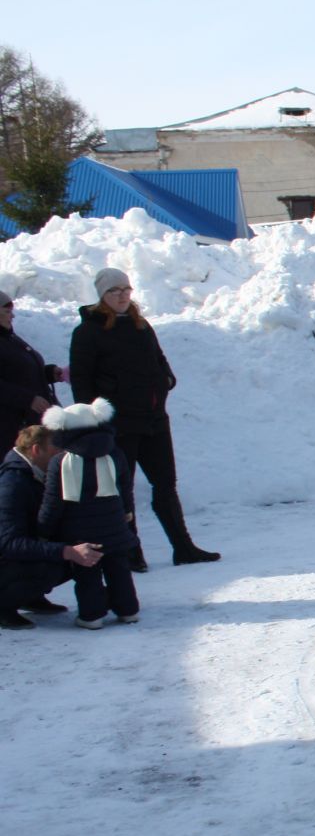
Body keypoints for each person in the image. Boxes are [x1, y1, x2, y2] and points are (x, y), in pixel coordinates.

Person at [69, 268, 218, 569]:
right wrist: (91, 420)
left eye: (126, 288)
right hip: (118, 423)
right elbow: (81, 382)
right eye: (115, 291)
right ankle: (131, 552)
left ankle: (183, 546)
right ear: (102, 295)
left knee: (165, 483)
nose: (123, 295)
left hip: (153, 419)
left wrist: (166, 379)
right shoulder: (88, 331)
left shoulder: (140, 325)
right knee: (122, 488)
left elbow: (158, 359)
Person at [38, 398, 138, 629]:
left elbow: (53, 501)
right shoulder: (115, 454)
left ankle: (92, 616)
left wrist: (43, 527)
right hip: (114, 526)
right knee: (119, 570)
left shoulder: (60, 462)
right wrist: (127, 512)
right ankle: (128, 610)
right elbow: (125, 487)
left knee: (87, 573)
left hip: (79, 532)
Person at [1, 424, 102, 630]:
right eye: (56, 453)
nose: (62, 458)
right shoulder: (12, 483)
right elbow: (9, 544)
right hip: (6, 560)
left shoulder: (32, 474)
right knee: (58, 562)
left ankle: (30, 597)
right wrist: (66, 551)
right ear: (36, 450)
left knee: (73, 554)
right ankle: (5, 606)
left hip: (14, 558)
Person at [2, 288, 63, 446]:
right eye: (7, 311)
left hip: (32, 424)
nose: (13, 315)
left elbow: (18, 373)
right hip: (12, 429)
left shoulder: (10, 338)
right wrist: (28, 399)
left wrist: (48, 373)